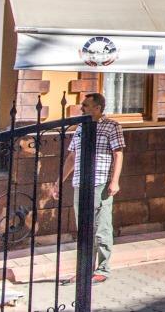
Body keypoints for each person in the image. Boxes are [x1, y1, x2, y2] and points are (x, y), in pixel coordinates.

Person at [51, 93, 125, 284]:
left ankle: (102, 269)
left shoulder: (112, 126)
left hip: (100, 182)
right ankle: (84, 270)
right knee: (84, 228)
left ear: (98, 108)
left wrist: (114, 181)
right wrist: (59, 181)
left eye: (85, 105)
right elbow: (72, 157)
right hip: (80, 183)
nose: (81, 108)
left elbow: (118, 154)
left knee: (101, 227)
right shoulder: (81, 128)